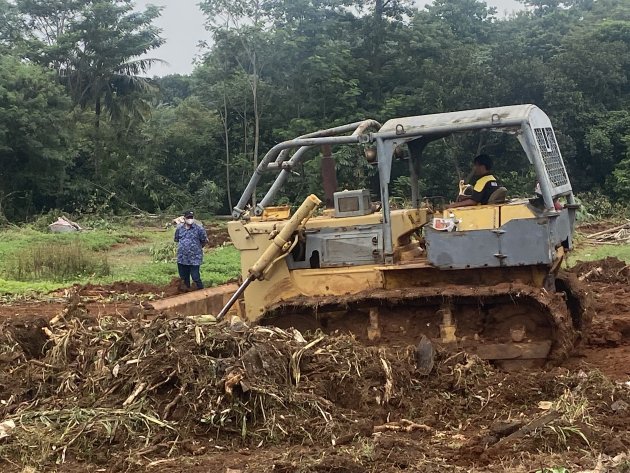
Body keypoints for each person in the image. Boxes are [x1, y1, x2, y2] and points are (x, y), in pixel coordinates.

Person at [174, 210, 208, 290]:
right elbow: (177, 239)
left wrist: (197, 248)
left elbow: (204, 241)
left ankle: (201, 292)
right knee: (183, 279)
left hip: (195, 258)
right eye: (188, 217)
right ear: (184, 218)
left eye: (191, 217)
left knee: (195, 277)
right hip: (182, 258)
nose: (190, 219)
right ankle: (187, 293)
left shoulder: (199, 229)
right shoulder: (179, 228)